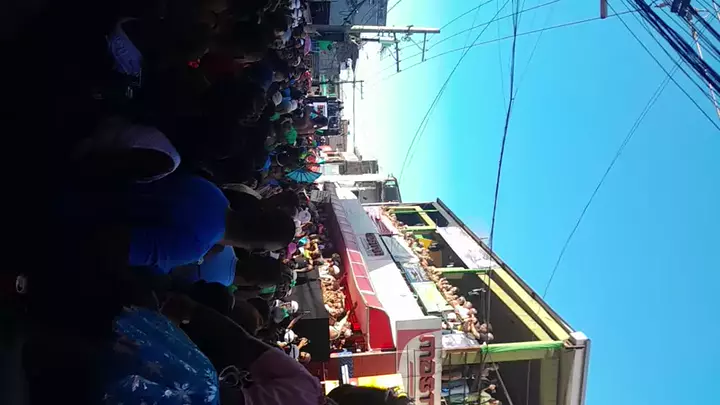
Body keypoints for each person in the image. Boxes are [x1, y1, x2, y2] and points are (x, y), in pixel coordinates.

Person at [59, 172, 296, 272]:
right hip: (65, 224)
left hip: (79, 182)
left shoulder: (210, 190)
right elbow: (110, 246)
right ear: (255, 250)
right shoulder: (193, 246)